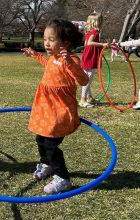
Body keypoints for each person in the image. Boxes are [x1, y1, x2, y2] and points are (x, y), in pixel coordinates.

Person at [23, 19, 89, 194]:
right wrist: (35, 54)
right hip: (45, 109)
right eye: (45, 39)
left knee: (51, 145)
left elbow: (84, 80)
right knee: (40, 139)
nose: (46, 43)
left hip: (59, 111)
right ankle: (47, 165)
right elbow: (48, 65)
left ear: (65, 42)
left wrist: (71, 65)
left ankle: (63, 178)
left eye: (51, 39)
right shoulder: (53, 58)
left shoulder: (71, 59)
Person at [79, 12, 109, 108]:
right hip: (90, 57)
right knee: (88, 79)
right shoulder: (95, 32)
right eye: (101, 21)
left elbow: (85, 44)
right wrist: (102, 45)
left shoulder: (89, 32)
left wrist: (99, 48)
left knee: (88, 78)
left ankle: (89, 98)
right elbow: (89, 43)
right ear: (97, 22)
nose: (102, 23)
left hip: (88, 56)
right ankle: (82, 100)